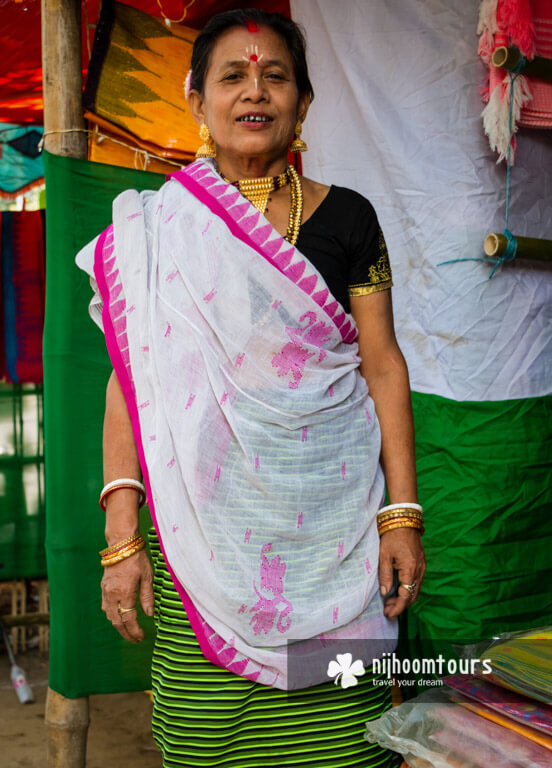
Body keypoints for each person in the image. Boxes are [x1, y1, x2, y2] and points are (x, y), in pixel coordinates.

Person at [77, 9, 425, 767]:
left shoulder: (349, 218)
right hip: (205, 542)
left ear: (304, 101)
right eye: (232, 76)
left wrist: (402, 515)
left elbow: (383, 365)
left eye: (276, 76)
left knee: (344, 740)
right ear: (196, 100)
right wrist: (121, 537)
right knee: (208, 741)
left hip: (338, 532)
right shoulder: (155, 231)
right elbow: (130, 389)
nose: (254, 91)